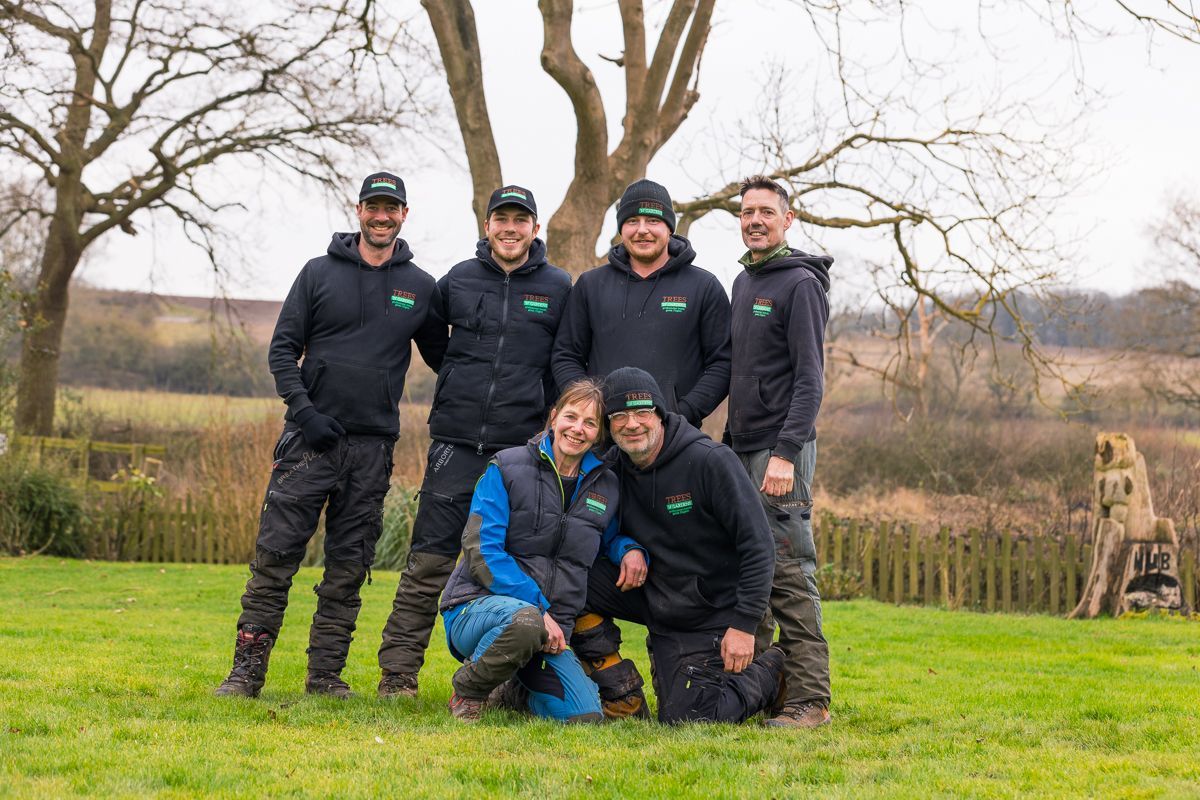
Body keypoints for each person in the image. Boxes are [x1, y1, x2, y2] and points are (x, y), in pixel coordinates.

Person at [215, 172, 448, 699]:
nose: (382, 216)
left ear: (404, 214)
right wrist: (305, 412)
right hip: (308, 443)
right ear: (359, 209)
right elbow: (281, 350)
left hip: (372, 450)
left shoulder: (421, 287)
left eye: (392, 208)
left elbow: (447, 360)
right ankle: (245, 674)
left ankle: (324, 678)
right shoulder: (317, 273)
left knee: (348, 569)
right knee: (274, 562)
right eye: (374, 206)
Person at [377, 185, 572, 699]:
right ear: (487, 226)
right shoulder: (458, 280)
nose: (510, 228)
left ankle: (504, 677)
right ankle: (398, 675)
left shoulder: (558, 288)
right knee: (428, 560)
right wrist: (461, 377)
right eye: (500, 218)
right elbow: (431, 339)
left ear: (535, 228)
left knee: (505, 562)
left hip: (520, 451)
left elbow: (564, 362)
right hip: (455, 443)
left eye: (520, 219)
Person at [571, 367, 784, 724]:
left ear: (661, 413)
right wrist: (626, 547)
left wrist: (744, 625)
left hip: (707, 609)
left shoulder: (710, 461)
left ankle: (775, 671)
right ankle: (619, 691)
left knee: (689, 719)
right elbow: (595, 529)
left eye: (642, 412)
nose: (632, 424)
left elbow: (758, 546)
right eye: (619, 416)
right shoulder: (612, 468)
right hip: (654, 594)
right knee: (568, 580)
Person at [437, 379, 647, 722]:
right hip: (475, 607)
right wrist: (539, 608)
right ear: (553, 417)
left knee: (585, 716)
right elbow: (481, 551)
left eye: (590, 423)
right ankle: (469, 689)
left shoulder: (605, 486)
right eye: (571, 416)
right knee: (526, 622)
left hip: (551, 629)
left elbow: (608, 538)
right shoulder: (506, 467)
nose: (578, 429)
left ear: (599, 435)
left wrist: (630, 549)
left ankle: (513, 690)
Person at [727, 175, 834, 728]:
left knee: (789, 569)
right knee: (752, 568)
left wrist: (786, 453)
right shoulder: (745, 283)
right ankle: (766, 689)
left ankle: (811, 701)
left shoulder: (799, 285)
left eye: (767, 211)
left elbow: (810, 381)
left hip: (780, 450)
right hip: (743, 447)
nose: (755, 220)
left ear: (787, 219)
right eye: (747, 212)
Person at [551, 179, 731, 428]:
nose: (642, 230)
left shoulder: (703, 287)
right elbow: (566, 355)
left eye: (653, 221)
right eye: (632, 221)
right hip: (603, 434)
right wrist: (588, 408)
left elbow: (722, 362)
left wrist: (683, 413)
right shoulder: (591, 285)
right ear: (621, 228)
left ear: (669, 228)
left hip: (674, 437)